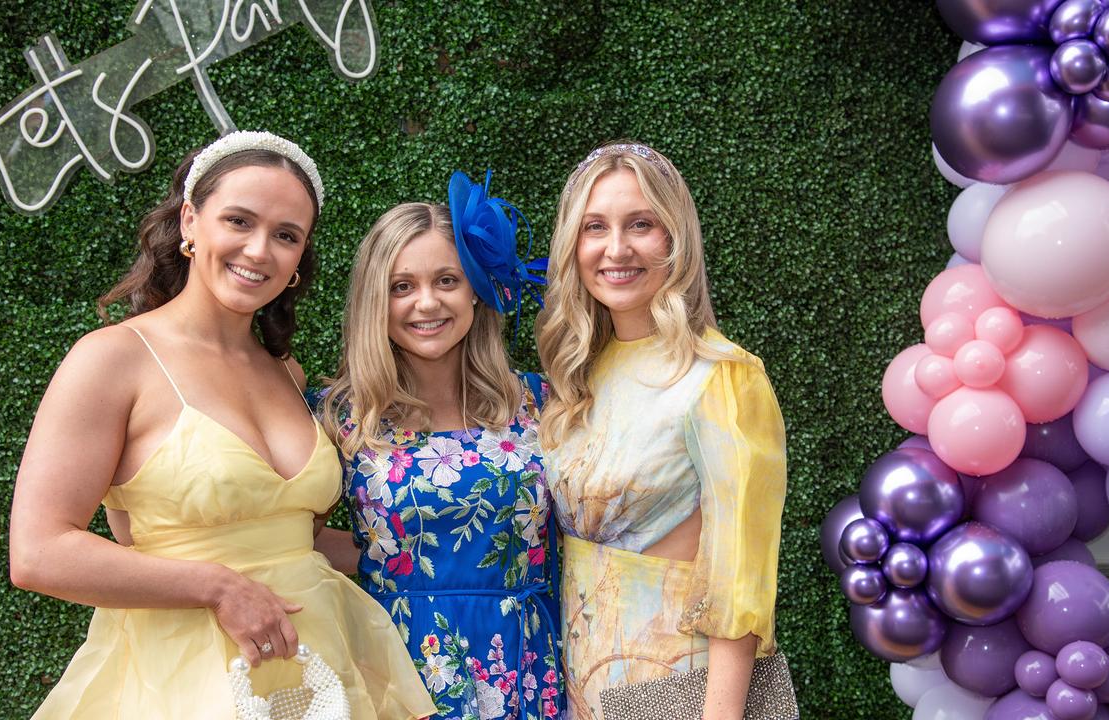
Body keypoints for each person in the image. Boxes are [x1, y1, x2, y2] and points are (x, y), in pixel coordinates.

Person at [9, 131, 436, 719]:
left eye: (286, 235)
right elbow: (39, 553)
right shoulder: (113, 360)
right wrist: (218, 587)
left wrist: (437, 547)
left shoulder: (286, 372)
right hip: (185, 675)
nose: (260, 250)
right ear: (189, 220)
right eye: (239, 221)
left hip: (319, 668)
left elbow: (293, 538)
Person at [536, 142, 788, 720]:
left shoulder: (724, 377)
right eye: (594, 226)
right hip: (583, 686)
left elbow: (739, 584)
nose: (616, 248)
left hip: (680, 691)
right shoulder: (579, 374)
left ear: (675, 240)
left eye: (641, 225)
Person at [316, 171, 564, 720]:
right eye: (402, 287)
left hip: (528, 665)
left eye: (446, 280)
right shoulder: (339, 418)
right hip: (396, 665)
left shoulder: (542, 402)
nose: (426, 303)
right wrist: (389, 555)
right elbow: (291, 538)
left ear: (476, 289)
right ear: (375, 302)